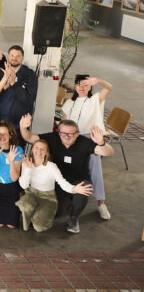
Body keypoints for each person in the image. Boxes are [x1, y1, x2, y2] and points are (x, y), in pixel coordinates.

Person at [19, 115, 114, 234]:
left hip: (78, 180)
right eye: (63, 133)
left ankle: (74, 218)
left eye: (70, 134)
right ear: (58, 133)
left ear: (77, 134)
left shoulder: (84, 142)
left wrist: (101, 143)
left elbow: (109, 152)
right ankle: (66, 204)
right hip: (58, 182)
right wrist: (23, 127)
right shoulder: (53, 138)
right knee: (56, 214)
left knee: (84, 188)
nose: (66, 136)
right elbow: (30, 137)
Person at [61, 75, 113, 219]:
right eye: (79, 84)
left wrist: (99, 80)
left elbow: (109, 87)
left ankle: (101, 204)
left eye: (85, 85)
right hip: (71, 139)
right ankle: (70, 197)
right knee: (69, 168)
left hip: (89, 139)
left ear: (90, 86)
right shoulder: (69, 103)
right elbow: (63, 121)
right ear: (75, 86)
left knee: (95, 170)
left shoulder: (95, 100)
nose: (81, 87)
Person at [16, 139, 93, 232]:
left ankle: (39, 215)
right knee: (25, 204)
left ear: (46, 152)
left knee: (39, 227)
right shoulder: (27, 163)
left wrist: (74, 189)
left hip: (47, 197)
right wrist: (28, 168)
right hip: (31, 194)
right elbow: (23, 186)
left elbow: (62, 182)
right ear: (32, 149)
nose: (39, 151)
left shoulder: (51, 166)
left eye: (42, 149)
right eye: (36, 147)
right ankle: (32, 214)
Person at [0, 46, 37, 131]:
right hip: (0, 120)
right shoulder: (1, 72)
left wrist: (13, 84)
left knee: (17, 144)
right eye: (12, 55)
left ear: (22, 58)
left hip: (18, 125)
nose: (14, 58)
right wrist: (5, 86)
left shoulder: (29, 74)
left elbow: (29, 100)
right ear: (8, 56)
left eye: (18, 56)